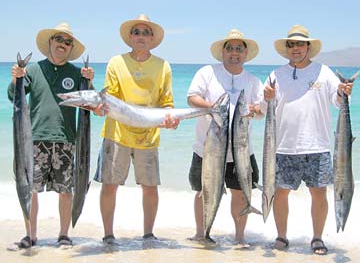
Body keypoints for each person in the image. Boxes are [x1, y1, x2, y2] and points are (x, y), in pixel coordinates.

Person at [262, 25, 353, 255]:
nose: (296, 48)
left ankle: (317, 238)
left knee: (319, 192)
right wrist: (266, 97)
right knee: (281, 192)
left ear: (308, 47)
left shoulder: (324, 72)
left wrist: (343, 90)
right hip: (284, 146)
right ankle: (282, 237)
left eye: (300, 44)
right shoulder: (276, 75)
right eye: (291, 44)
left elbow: (337, 99)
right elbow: (264, 108)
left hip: (318, 145)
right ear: (287, 48)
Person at [92, 14, 179, 245]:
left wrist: (170, 119)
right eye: (137, 32)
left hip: (148, 136)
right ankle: (108, 235)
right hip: (116, 134)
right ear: (130, 37)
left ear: (152, 39)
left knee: (150, 188)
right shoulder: (115, 62)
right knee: (110, 185)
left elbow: (167, 103)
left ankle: (148, 234)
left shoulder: (163, 66)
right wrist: (99, 108)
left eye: (146, 33)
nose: (141, 36)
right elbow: (110, 98)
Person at [8, 22, 94, 248]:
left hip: (66, 140)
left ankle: (64, 235)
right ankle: (31, 235)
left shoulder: (76, 73)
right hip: (34, 140)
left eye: (67, 42)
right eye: (59, 39)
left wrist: (90, 81)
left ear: (70, 48)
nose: (62, 45)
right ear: (50, 43)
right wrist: (16, 77)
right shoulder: (34, 69)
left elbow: (90, 103)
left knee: (66, 191)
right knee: (31, 189)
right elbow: (12, 96)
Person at [187, 29, 264, 247]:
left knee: (239, 194)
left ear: (245, 53)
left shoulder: (253, 81)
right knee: (203, 190)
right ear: (223, 51)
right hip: (207, 148)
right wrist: (210, 107)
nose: (234, 53)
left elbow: (261, 112)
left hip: (241, 151)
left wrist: (253, 110)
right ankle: (202, 233)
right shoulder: (207, 72)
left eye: (239, 49)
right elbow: (192, 97)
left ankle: (239, 237)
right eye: (230, 48)